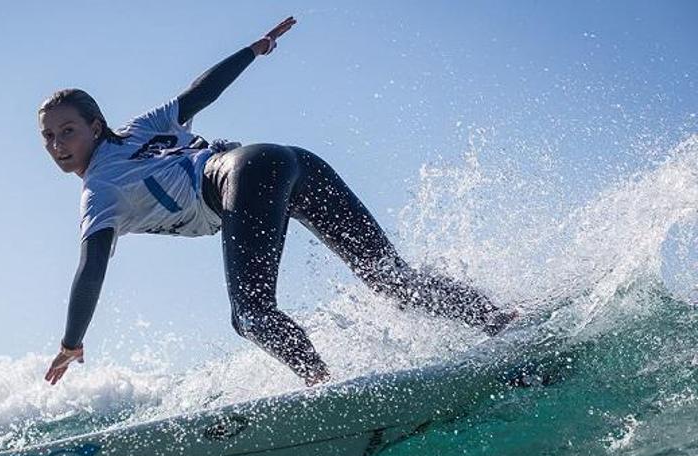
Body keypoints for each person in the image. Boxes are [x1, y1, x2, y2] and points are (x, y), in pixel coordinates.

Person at [41, 16, 517, 387]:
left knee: (249, 313)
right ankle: (503, 322)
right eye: (49, 137)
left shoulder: (99, 189)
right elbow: (200, 94)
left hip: (241, 175)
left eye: (68, 131)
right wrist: (254, 49)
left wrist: (72, 341)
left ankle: (323, 385)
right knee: (392, 280)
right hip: (285, 159)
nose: (59, 144)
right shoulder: (141, 129)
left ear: (95, 127)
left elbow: (92, 265)